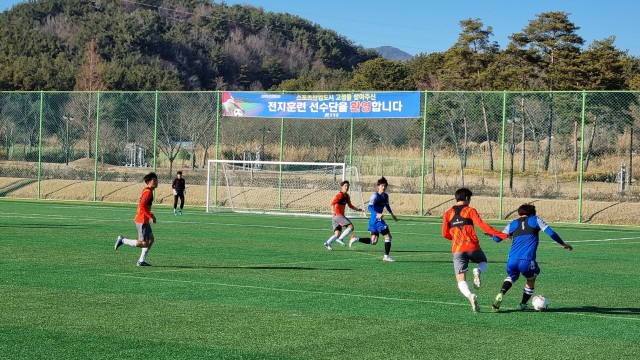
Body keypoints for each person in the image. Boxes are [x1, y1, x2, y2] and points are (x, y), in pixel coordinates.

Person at [491, 204, 573, 311]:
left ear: (518, 214)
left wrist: (492, 234)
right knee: (531, 279)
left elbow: (497, 239)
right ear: (533, 213)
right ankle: (523, 304)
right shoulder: (535, 220)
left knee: (512, 276)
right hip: (527, 260)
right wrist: (563, 244)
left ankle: (501, 293)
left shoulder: (512, 223)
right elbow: (551, 233)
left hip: (512, 260)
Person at [442, 188, 508, 312]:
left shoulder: (448, 213)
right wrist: (502, 235)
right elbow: (483, 226)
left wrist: (456, 237)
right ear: (467, 198)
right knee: (483, 262)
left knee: (461, 280)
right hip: (472, 247)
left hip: (457, 249)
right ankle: (477, 270)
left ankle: (470, 296)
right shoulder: (470, 210)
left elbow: (445, 234)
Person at [114, 172, 158, 266]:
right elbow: (142, 206)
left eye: (156, 180)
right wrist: (151, 216)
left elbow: (144, 206)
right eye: (154, 180)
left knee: (151, 239)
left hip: (144, 219)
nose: (156, 182)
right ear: (149, 182)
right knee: (144, 243)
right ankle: (122, 240)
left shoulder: (148, 191)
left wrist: (150, 215)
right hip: (142, 220)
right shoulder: (148, 192)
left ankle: (141, 261)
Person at [350, 177, 398, 262]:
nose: (384, 187)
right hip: (376, 220)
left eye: (385, 186)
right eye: (382, 185)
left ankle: (356, 239)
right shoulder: (375, 196)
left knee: (374, 241)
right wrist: (377, 214)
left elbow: (387, 205)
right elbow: (369, 207)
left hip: (374, 221)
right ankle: (386, 257)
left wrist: (392, 214)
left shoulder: (386, 196)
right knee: (388, 236)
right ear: (378, 186)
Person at [323, 180, 365, 250]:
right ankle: (340, 239)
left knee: (337, 234)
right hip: (338, 216)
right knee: (351, 227)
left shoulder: (347, 196)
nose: (347, 187)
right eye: (345, 186)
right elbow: (332, 203)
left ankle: (328, 243)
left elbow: (350, 206)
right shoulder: (339, 195)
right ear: (342, 187)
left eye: (348, 186)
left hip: (336, 218)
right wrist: (333, 211)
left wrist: (359, 210)